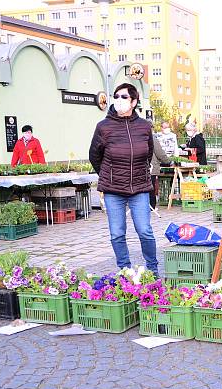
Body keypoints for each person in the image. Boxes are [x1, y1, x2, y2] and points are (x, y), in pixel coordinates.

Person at [88, 83, 158, 276]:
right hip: (113, 189)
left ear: (134, 102)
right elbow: (94, 155)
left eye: (124, 97)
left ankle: (152, 268)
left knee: (145, 230)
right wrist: (107, 175)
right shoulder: (103, 127)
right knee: (117, 233)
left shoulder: (144, 126)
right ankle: (125, 270)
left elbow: (148, 152)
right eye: (116, 96)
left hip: (140, 187)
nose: (119, 100)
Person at [150, 134, 172, 210]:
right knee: (150, 187)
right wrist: (168, 161)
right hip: (150, 167)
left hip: (136, 167)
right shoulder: (151, 138)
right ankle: (151, 206)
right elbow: (160, 153)